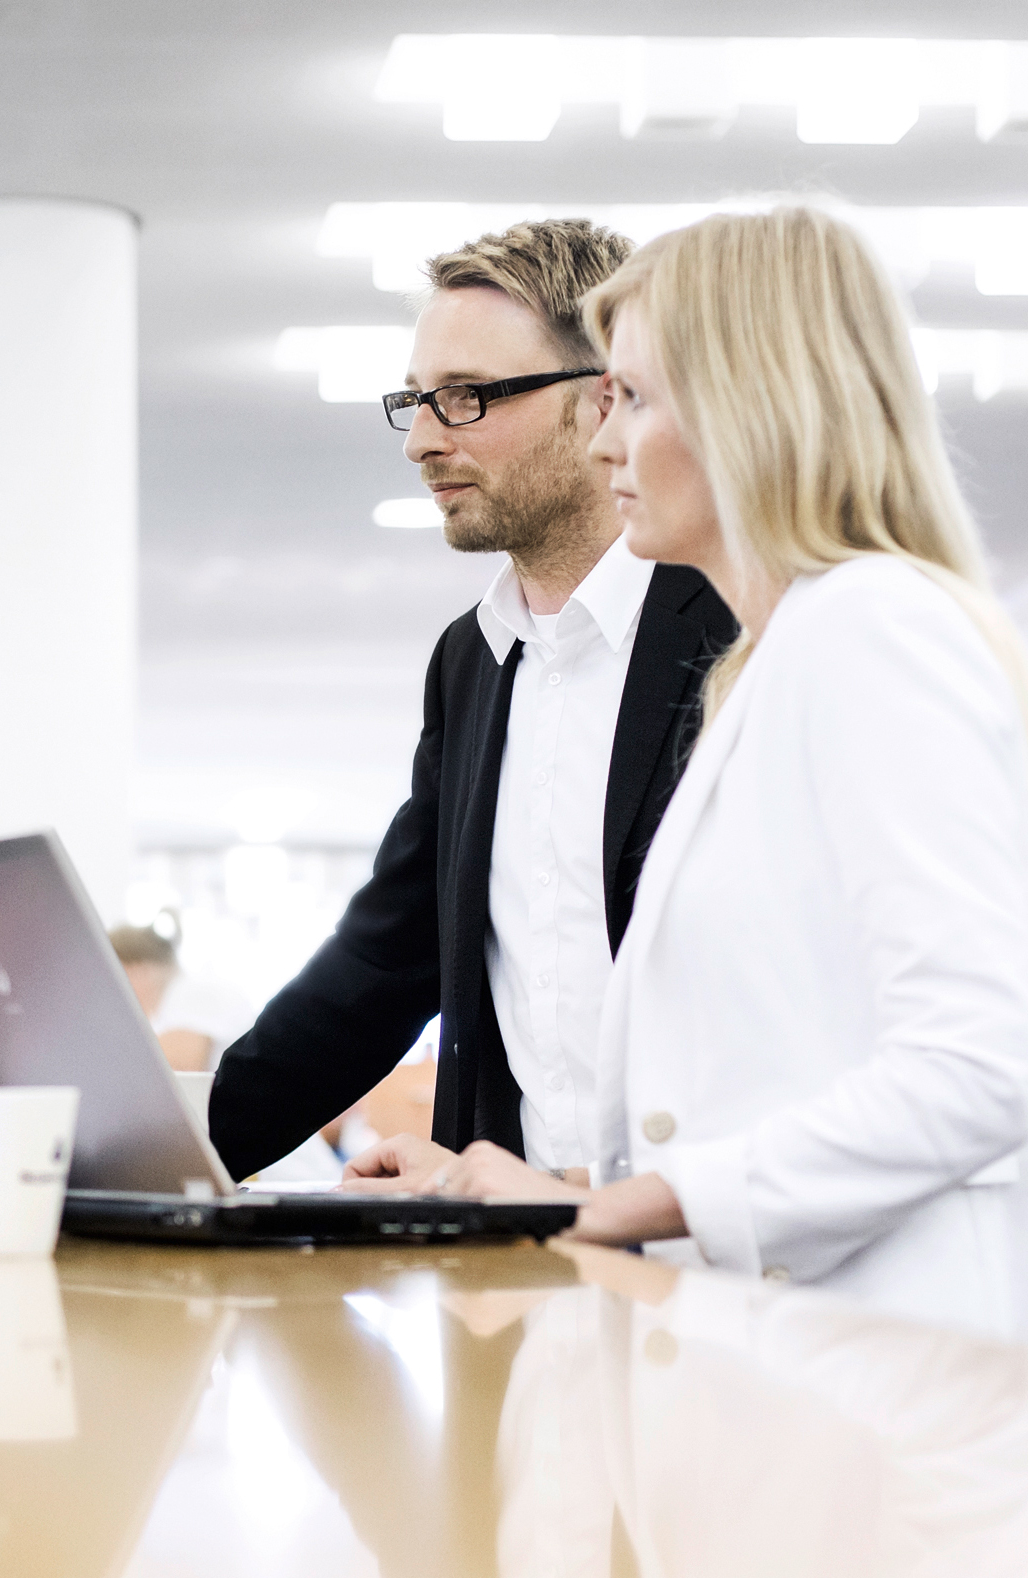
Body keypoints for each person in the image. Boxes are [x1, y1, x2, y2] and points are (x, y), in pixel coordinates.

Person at [432, 207, 1028, 1329]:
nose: (605, 441)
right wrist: (567, 1195)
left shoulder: (873, 630)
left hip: (886, 1380)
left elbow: (984, 1063)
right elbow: (766, 1079)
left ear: (755, 408)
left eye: (636, 399)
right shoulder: (769, 660)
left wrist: (632, 1205)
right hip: (783, 1370)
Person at [208, 220, 736, 1184]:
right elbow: (382, 964)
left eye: (465, 399)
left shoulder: (738, 628)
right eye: (416, 400)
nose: (419, 440)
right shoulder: (473, 662)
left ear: (600, 400)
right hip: (519, 1266)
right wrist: (176, 1157)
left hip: (714, 1252)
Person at [108, 922, 254, 1072]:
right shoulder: (178, 999)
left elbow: (168, 1073)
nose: (111, 995)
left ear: (137, 969)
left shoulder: (188, 994)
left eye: (110, 977)